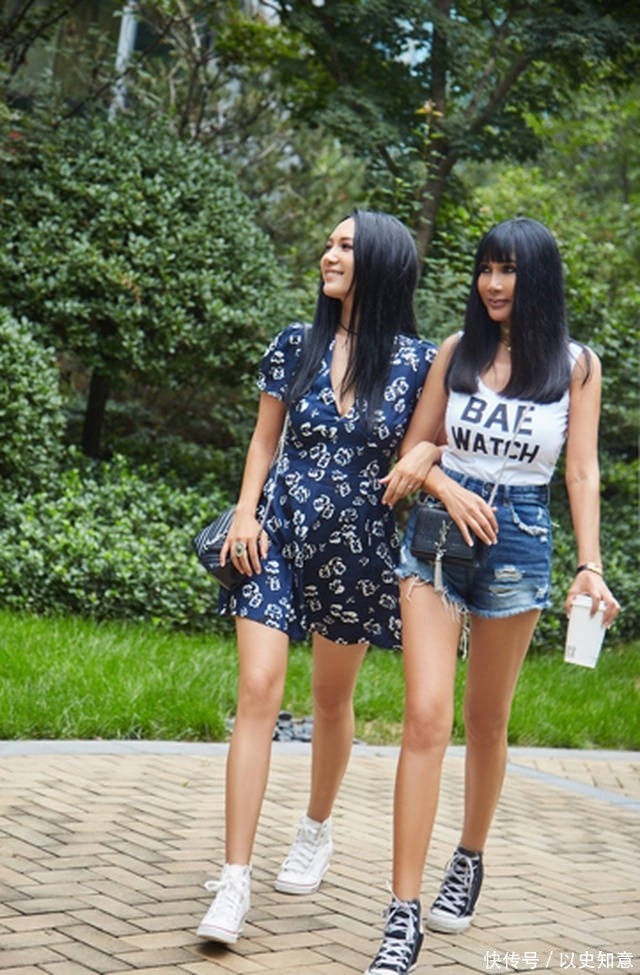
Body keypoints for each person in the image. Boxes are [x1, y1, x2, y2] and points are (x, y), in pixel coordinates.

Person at [365, 216, 621, 975]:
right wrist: (446, 484)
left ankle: (469, 855)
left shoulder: (576, 366)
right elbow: (415, 449)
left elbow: (581, 470)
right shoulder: (458, 351)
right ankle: (402, 914)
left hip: (520, 538)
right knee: (425, 717)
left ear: (538, 277)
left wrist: (591, 565)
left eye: (508, 269)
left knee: (485, 721)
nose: (493, 283)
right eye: (486, 268)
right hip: (439, 536)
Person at [196, 208, 438, 945]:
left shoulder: (420, 363)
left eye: (344, 246)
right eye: (328, 243)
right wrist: (245, 514)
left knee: (331, 701)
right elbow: (263, 440)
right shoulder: (293, 344)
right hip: (274, 537)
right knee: (258, 690)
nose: (327, 255)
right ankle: (234, 880)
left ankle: (315, 828)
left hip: (358, 551)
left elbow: (430, 450)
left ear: (383, 263)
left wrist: (426, 456)